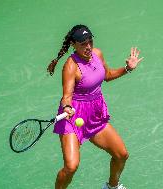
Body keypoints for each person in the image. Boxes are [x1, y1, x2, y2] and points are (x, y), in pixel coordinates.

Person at [47, 24, 143, 189]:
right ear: (73, 45)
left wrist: (127, 68)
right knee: (71, 167)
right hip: (72, 116)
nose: (88, 46)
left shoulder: (97, 54)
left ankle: (112, 186)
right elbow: (67, 96)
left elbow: (107, 74)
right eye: (83, 43)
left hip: (94, 115)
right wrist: (67, 107)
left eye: (90, 41)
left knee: (121, 155)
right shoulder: (70, 66)